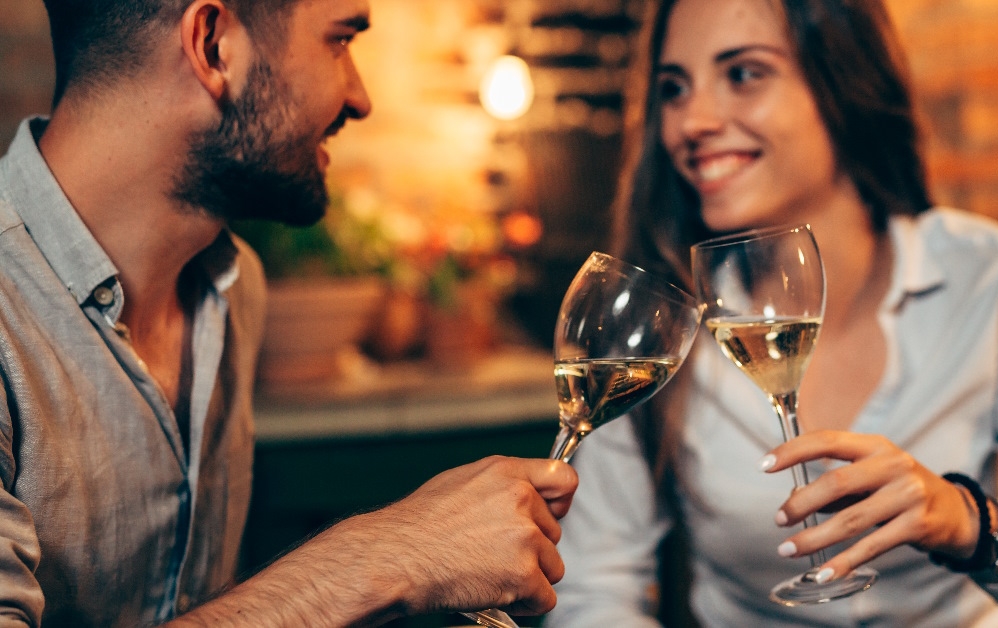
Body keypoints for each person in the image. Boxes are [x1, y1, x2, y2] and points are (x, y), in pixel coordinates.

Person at [544, 0, 998, 626]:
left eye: (744, 73)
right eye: (674, 89)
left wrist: (972, 524)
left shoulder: (994, 280)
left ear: (845, 83)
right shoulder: (657, 321)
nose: (692, 122)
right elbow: (594, 593)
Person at [0, 0, 579, 625]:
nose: (360, 98)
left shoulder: (233, 288)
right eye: (340, 40)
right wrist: (391, 554)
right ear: (214, 45)